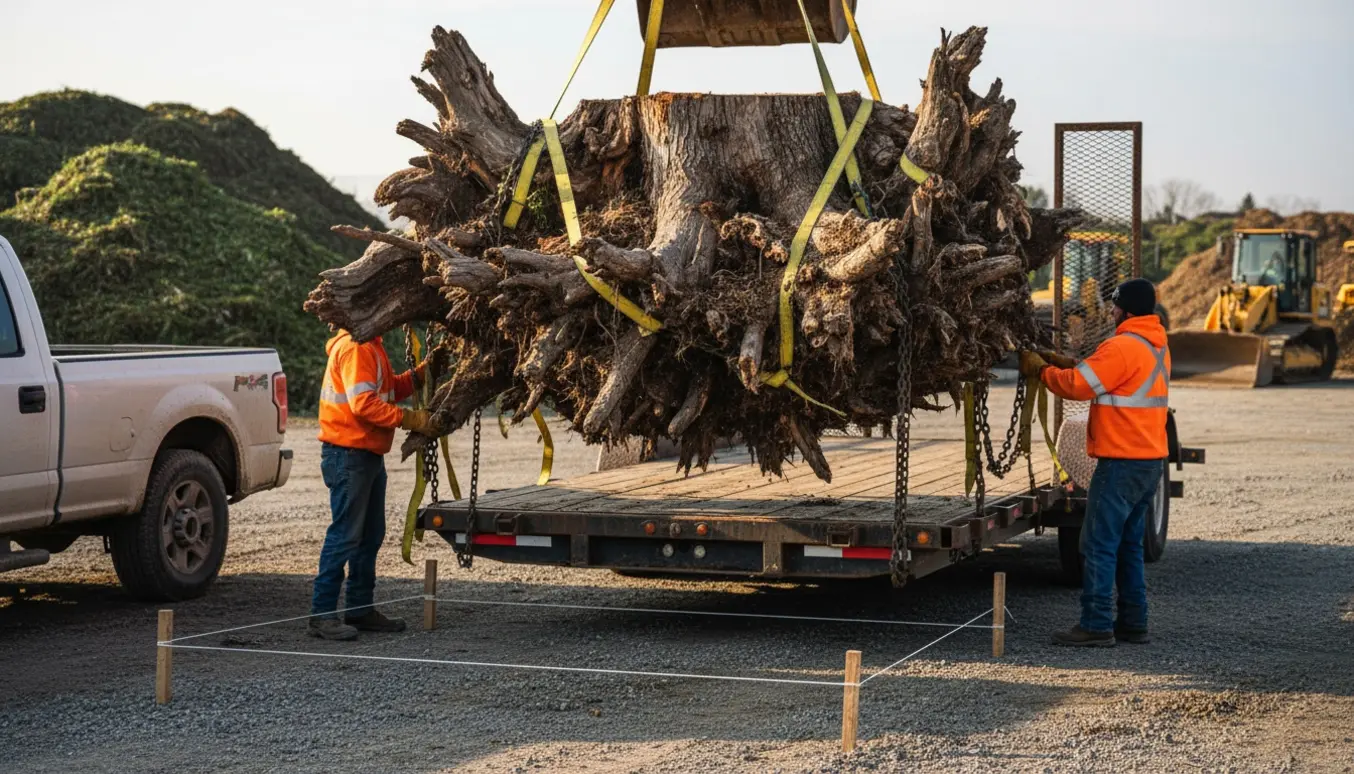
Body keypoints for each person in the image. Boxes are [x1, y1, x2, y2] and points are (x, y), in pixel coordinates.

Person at [1019, 278, 1170, 647]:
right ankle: (1134, 623)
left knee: (1098, 544)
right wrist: (1065, 362)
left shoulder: (1120, 346)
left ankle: (1096, 623)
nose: (1111, 312)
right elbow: (1109, 378)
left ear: (1125, 309)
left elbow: (1077, 387)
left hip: (1121, 463)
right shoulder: (1156, 346)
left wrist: (1040, 370)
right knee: (1129, 545)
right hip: (1150, 461)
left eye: (1115, 306)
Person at [310, 328, 438, 641]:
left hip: (363, 454)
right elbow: (364, 404)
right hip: (349, 454)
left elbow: (388, 388)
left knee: (369, 536)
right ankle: (322, 614)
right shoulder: (357, 348)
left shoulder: (371, 346)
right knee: (346, 535)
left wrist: (422, 374)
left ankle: (359, 609)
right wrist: (410, 419)